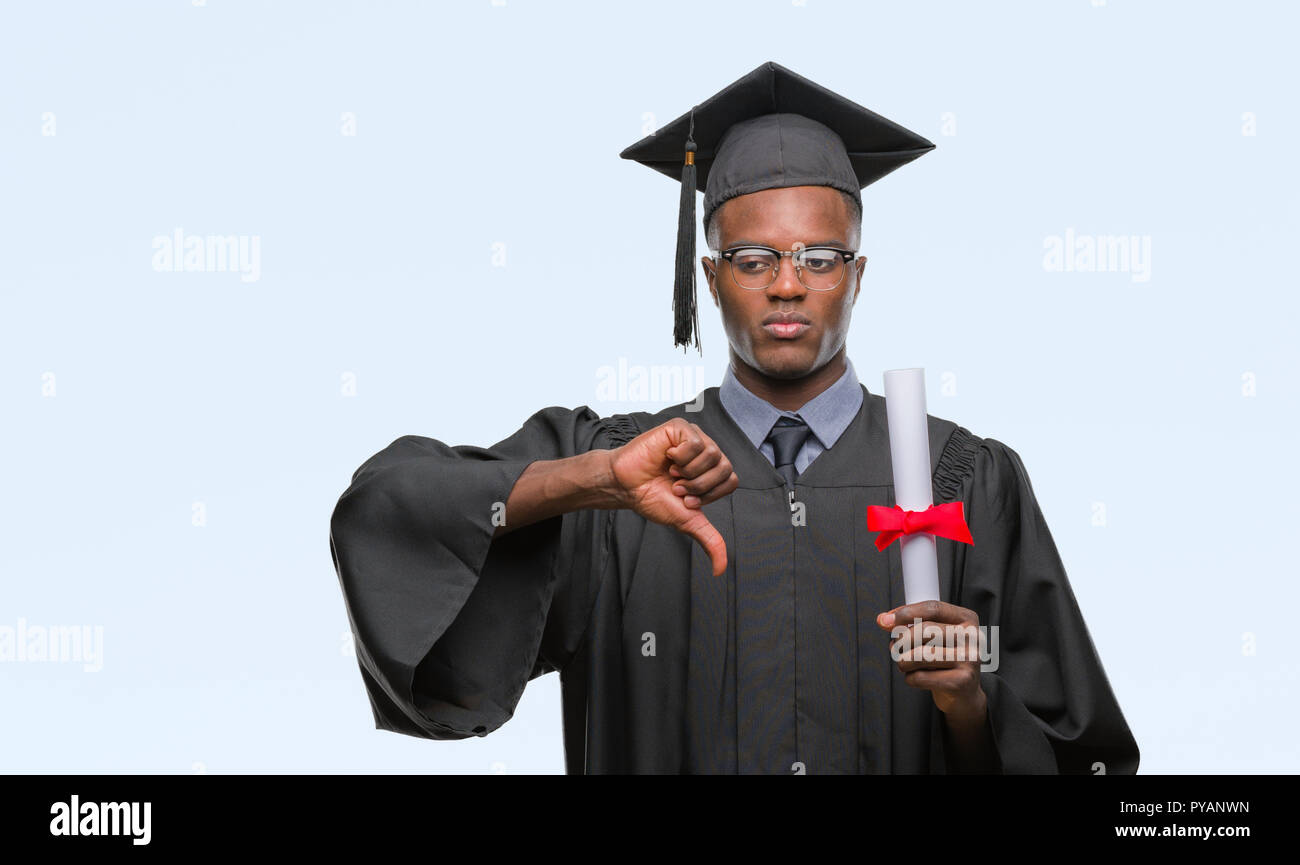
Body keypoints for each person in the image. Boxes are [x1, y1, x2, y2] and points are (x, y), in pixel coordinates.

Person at [328, 61, 1139, 774]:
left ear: (858, 275)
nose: (787, 284)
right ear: (711, 278)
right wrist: (592, 481)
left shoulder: (964, 479)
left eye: (820, 258)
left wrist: (971, 701)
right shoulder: (618, 473)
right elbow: (384, 512)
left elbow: (1083, 759)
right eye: (753, 260)